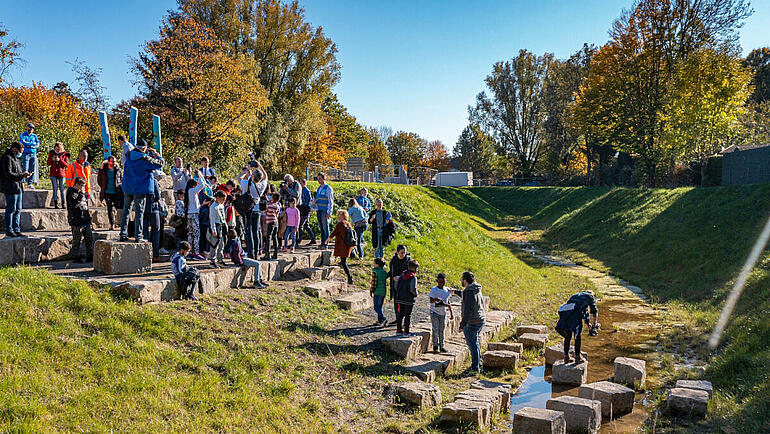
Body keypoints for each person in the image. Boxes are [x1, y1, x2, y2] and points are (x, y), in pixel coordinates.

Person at [119, 140, 163, 242]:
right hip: (140, 188)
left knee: (126, 211)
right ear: (144, 148)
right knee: (139, 213)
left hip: (128, 187)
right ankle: (138, 236)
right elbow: (159, 164)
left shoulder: (128, 156)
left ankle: (123, 234)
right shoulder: (145, 159)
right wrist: (157, 155)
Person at [555, 290, 598, 364]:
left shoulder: (575, 295)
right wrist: (594, 324)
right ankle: (577, 357)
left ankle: (566, 357)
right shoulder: (590, 296)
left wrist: (587, 323)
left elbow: (583, 310)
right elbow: (594, 311)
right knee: (577, 336)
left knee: (568, 336)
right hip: (575, 314)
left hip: (566, 314)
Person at [458, 271, 486, 375]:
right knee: (475, 343)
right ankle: (479, 365)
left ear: (465, 280)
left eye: (461, 279)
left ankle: (474, 369)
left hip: (472, 322)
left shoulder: (468, 292)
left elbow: (467, 310)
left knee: (472, 345)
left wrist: (462, 325)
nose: (460, 280)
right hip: (481, 319)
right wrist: (455, 292)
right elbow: (467, 297)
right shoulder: (476, 288)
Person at [1, 141, 30, 237]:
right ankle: (9, 230)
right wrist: (22, 175)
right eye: (20, 151)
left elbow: (18, 173)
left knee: (18, 209)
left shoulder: (16, 159)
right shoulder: (7, 158)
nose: (20, 153)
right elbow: (8, 174)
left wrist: (24, 174)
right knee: (11, 209)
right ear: (14, 149)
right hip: (10, 188)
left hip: (18, 187)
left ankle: (16, 229)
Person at [239, 162, 268, 258]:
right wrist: (259, 164)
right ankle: (256, 251)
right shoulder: (262, 186)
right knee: (256, 232)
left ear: (252, 177)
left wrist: (247, 170)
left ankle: (251, 252)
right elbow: (265, 176)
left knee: (249, 231)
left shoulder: (247, 184)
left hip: (248, 210)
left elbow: (239, 178)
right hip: (257, 210)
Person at [65, 177, 94, 263]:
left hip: (85, 219)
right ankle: (75, 256)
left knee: (89, 238)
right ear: (77, 185)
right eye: (81, 186)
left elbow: (85, 206)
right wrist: (81, 195)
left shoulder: (82, 194)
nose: (82, 188)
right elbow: (73, 204)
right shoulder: (70, 192)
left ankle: (90, 256)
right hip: (76, 220)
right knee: (76, 240)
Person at [429, 273, 454, 353]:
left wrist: (451, 313)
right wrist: (436, 299)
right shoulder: (434, 290)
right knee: (435, 329)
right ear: (437, 281)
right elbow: (431, 300)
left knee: (442, 330)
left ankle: (442, 346)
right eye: (440, 282)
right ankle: (435, 346)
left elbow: (448, 302)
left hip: (443, 313)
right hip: (434, 312)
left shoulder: (447, 290)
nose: (441, 284)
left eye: (443, 282)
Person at [330, 209, 356, 284]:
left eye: (339, 215)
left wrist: (328, 239)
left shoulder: (340, 224)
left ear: (343, 216)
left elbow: (334, 232)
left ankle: (350, 277)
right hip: (347, 245)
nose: (338, 216)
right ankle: (349, 277)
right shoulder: (348, 223)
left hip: (342, 246)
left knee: (344, 262)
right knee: (344, 261)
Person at [393, 259, 419, 335]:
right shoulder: (413, 277)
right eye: (417, 268)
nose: (417, 270)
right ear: (414, 269)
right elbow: (413, 289)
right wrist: (416, 294)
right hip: (409, 300)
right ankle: (406, 331)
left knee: (400, 314)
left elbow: (396, 285)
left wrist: (400, 292)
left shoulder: (402, 275)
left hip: (400, 298)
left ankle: (398, 330)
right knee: (408, 315)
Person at [183, 177, 206, 260]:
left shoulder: (189, 192)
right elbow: (202, 185)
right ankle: (196, 253)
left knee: (190, 234)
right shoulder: (192, 191)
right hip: (194, 215)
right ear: (193, 185)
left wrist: (202, 204)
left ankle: (189, 252)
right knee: (196, 234)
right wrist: (199, 176)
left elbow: (195, 205)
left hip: (190, 214)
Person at [144, 177, 166, 261]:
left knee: (144, 233)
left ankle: (145, 255)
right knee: (156, 232)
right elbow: (157, 196)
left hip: (143, 208)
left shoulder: (140, 178)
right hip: (153, 208)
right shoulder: (153, 181)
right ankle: (155, 255)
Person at [97, 156, 121, 230]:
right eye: (112, 161)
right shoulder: (104, 169)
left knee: (118, 207)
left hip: (116, 192)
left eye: (115, 161)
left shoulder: (118, 169)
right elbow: (99, 179)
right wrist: (103, 187)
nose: (114, 163)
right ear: (109, 162)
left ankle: (119, 222)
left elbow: (121, 179)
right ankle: (112, 224)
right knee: (109, 209)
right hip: (107, 192)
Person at [313, 172, 334, 249]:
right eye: (318, 179)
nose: (319, 180)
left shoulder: (328, 188)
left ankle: (326, 244)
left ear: (324, 178)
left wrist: (329, 212)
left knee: (326, 228)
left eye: (320, 179)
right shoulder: (319, 188)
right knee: (321, 228)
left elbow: (330, 200)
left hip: (325, 210)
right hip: (319, 210)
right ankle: (322, 243)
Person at [208, 190, 227, 268]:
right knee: (214, 245)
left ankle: (220, 259)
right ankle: (212, 261)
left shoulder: (221, 205)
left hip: (221, 225)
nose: (223, 201)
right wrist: (214, 230)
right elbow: (212, 219)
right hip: (216, 225)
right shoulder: (213, 206)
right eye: (222, 199)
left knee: (221, 244)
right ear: (218, 198)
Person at [47, 142, 69, 209]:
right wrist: (52, 160)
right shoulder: (51, 153)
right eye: (56, 149)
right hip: (53, 173)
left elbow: (67, 165)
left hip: (61, 173)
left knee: (62, 188)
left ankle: (63, 203)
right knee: (55, 188)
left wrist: (60, 160)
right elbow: (48, 163)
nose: (57, 151)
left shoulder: (65, 155)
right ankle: (56, 203)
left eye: (58, 149)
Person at [369, 258, 388, 327]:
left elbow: (374, 283)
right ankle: (380, 321)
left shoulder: (375, 272)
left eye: (374, 263)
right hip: (383, 292)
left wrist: (371, 290)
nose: (373, 265)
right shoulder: (384, 272)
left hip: (377, 292)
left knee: (376, 307)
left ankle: (383, 318)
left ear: (377, 265)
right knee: (380, 306)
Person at [19, 123, 39, 187]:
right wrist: (32, 144)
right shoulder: (23, 134)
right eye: (30, 127)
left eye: (32, 128)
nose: (31, 129)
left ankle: (30, 183)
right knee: (25, 168)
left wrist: (32, 145)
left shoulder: (34, 136)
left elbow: (38, 144)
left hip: (33, 154)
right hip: (25, 153)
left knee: (32, 168)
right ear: (27, 127)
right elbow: (23, 142)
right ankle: (23, 181)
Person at [262, 193, 281, 260]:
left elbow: (265, 211)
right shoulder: (277, 206)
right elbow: (277, 214)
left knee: (268, 237)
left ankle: (268, 254)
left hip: (270, 222)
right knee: (274, 237)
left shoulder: (269, 205)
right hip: (276, 222)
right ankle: (275, 253)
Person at [297, 178, 315, 245]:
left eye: (301, 183)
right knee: (306, 225)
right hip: (302, 208)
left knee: (301, 225)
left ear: (304, 183)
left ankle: (299, 239)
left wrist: (303, 205)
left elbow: (308, 201)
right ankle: (313, 238)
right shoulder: (300, 190)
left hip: (305, 209)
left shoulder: (306, 191)